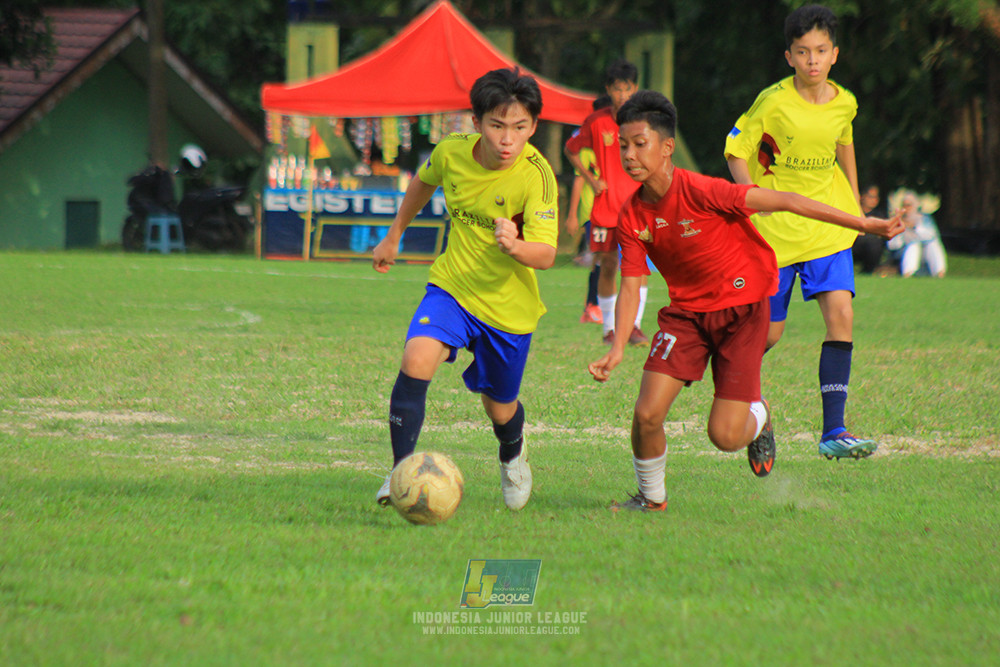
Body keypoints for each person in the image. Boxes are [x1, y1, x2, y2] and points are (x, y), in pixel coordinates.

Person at [590, 91, 902, 511]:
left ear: (667, 148)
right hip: (686, 317)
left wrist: (863, 223)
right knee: (647, 414)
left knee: (724, 437)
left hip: (743, 312)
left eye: (639, 144)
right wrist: (615, 348)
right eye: (623, 145)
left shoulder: (703, 190)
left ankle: (760, 417)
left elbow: (788, 201)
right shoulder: (632, 216)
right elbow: (630, 285)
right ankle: (651, 499)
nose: (628, 154)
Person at [372, 68, 559, 511]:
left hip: (507, 309)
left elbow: (547, 255)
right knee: (416, 358)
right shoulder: (451, 152)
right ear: (477, 122)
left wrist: (515, 245)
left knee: (500, 410)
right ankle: (403, 474)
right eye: (497, 125)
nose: (508, 139)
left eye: (519, 127)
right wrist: (395, 233)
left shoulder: (537, 176)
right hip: (453, 287)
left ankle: (513, 451)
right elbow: (423, 182)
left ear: (533, 126)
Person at [724, 4, 880, 460]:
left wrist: (853, 203)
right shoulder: (773, 101)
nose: (813, 60)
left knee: (842, 317)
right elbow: (736, 150)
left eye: (821, 51)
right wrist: (750, 198)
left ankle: (835, 430)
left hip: (827, 227)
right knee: (767, 336)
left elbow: (843, 142)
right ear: (788, 56)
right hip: (776, 233)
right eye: (803, 51)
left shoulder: (845, 101)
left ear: (835, 54)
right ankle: (751, 406)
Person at [565, 59, 650, 346]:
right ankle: (609, 329)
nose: (623, 95)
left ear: (635, 89)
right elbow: (571, 149)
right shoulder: (597, 121)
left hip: (638, 206)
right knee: (608, 265)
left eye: (627, 89)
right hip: (605, 208)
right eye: (617, 89)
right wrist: (591, 179)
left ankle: (635, 326)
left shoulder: (644, 121)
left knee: (639, 266)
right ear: (608, 90)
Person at [886, 189, 947, 277]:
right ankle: (909, 273)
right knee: (914, 244)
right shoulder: (897, 220)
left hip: (924, 250)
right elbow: (892, 244)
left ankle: (939, 273)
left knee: (933, 244)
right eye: (904, 205)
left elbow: (931, 235)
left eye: (909, 205)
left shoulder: (925, 219)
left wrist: (914, 227)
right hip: (903, 251)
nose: (906, 208)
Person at [853, 184, 887, 273]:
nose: (873, 200)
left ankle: (868, 271)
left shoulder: (880, 216)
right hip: (853, 244)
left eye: (876, 197)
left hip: (869, 248)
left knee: (874, 242)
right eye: (871, 197)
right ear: (862, 197)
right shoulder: (853, 212)